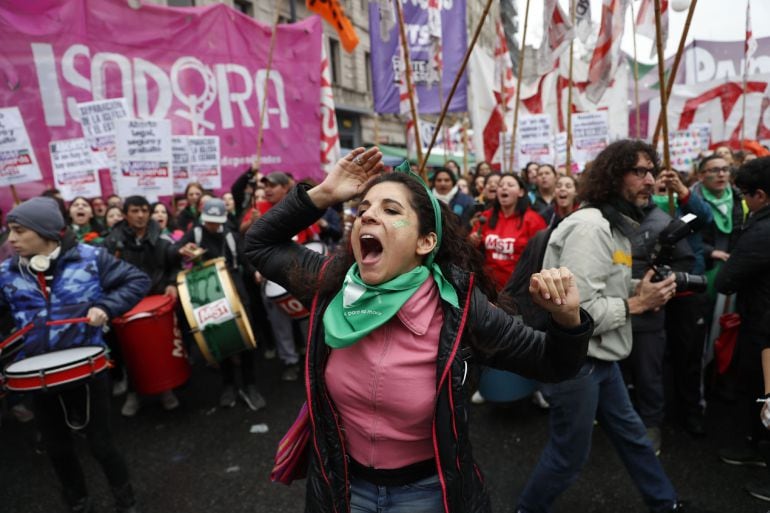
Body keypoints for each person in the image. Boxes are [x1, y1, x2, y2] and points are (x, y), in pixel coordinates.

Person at [245, 147, 593, 513]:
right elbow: (259, 243)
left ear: (425, 242)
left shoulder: (461, 309)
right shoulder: (332, 284)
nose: (368, 217)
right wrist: (324, 194)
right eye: (363, 210)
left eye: (390, 211)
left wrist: (567, 319)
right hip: (345, 491)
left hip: (429, 495)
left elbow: (555, 363)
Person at [516, 139, 691, 513]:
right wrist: (639, 303)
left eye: (651, 172)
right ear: (613, 177)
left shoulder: (612, 227)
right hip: (576, 365)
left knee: (633, 438)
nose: (650, 180)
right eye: (639, 171)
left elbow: (600, 286)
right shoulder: (592, 228)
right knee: (568, 457)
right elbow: (575, 312)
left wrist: (641, 289)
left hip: (601, 361)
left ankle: (666, 504)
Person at [0, 197, 149, 513]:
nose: (10, 239)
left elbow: (137, 280)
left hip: (88, 369)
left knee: (101, 444)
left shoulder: (91, 258)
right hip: (36, 376)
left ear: (45, 232)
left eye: (17, 231)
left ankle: (126, 501)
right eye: (9, 231)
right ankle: (78, 501)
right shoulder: (7, 273)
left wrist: (105, 307)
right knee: (57, 447)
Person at [175, 199, 266, 411]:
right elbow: (173, 251)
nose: (213, 226)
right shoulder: (195, 234)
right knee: (220, 337)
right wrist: (182, 250)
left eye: (217, 222)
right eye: (209, 222)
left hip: (235, 289)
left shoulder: (231, 235)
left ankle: (250, 384)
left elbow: (245, 259)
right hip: (208, 292)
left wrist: (255, 271)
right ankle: (228, 386)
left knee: (245, 337)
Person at [715, 157, 770, 501]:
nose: (744, 202)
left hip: (764, 326)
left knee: (765, 396)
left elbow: (725, 280)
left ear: (760, 196)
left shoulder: (762, 231)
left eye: (746, 195)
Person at [103, 196, 181, 416]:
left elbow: (174, 265)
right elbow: (104, 273)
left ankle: (166, 389)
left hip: (157, 305)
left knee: (160, 349)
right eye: (135, 211)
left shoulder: (162, 239)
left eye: (144, 210)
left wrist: (172, 283)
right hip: (127, 306)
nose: (140, 215)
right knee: (131, 354)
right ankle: (134, 394)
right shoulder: (112, 241)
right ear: (126, 214)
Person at [470, 173, 547, 290]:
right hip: (488, 287)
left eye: (510, 185)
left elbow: (541, 256)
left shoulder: (534, 220)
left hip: (519, 288)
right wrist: (472, 240)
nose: (504, 188)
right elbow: (471, 245)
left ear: (521, 192)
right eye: (501, 185)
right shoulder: (486, 216)